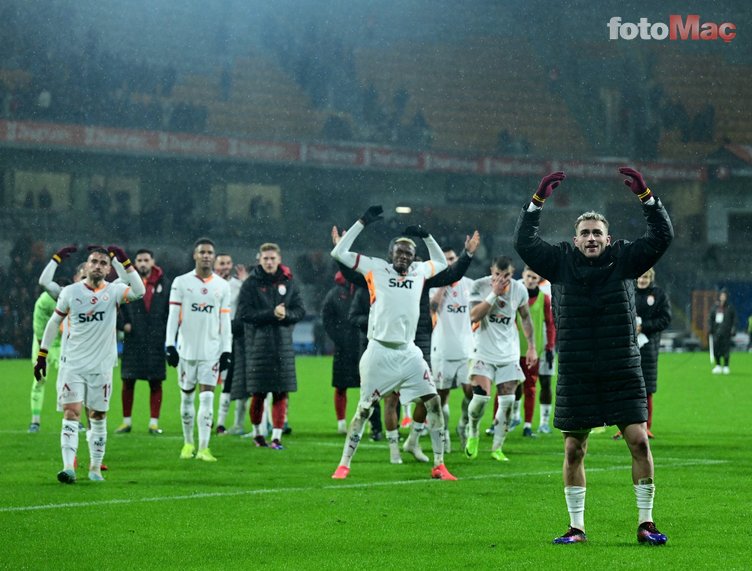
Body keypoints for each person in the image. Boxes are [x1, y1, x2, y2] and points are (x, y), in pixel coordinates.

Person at [514, 167, 673, 545]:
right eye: (584, 233)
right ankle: (576, 527)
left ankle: (646, 522)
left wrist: (647, 199)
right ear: (575, 238)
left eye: (596, 233)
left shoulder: (625, 259)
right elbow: (523, 242)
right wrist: (536, 202)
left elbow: (663, 236)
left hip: (622, 368)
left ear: (608, 238)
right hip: (578, 370)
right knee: (574, 447)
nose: (590, 238)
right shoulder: (559, 262)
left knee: (639, 441)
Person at [329, 205, 455, 480]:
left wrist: (426, 234)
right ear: (390, 254)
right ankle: (344, 463)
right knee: (364, 409)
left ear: (413, 258)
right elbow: (338, 252)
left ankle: (439, 465)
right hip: (379, 351)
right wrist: (362, 222)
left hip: (409, 352)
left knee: (433, 402)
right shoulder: (375, 268)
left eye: (408, 253)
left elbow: (443, 263)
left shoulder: (419, 271)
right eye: (399, 251)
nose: (403, 256)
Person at [33, 246, 145, 483]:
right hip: (72, 364)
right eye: (94, 261)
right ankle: (68, 468)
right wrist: (42, 355)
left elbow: (140, 290)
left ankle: (94, 468)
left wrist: (123, 261)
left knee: (98, 415)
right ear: (85, 266)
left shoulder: (114, 292)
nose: (98, 265)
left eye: (103, 263)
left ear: (108, 269)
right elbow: (54, 323)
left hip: (102, 366)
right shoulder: (71, 292)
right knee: (71, 412)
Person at [465, 256, 538, 462]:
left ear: (512, 274)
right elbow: (474, 316)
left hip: (508, 354)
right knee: (480, 399)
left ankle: (497, 448)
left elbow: (525, 318)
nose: (501, 279)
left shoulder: (519, 290)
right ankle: (473, 431)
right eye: (497, 274)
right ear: (491, 271)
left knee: (506, 402)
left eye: (506, 275)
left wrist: (531, 346)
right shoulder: (480, 286)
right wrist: (493, 294)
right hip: (483, 352)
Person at [165, 238, 232, 462]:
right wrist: (170, 345)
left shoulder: (222, 286)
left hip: (211, 352)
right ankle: (188, 443)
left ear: (213, 256)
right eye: (202, 252)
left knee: (206, 399)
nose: (206, 255)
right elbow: (173, 316)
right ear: (195, 255)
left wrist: (226, 350)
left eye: (209, 252)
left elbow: (225, 321)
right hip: (186, 350)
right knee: (186, 398)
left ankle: (204, 447)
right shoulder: (181, 282)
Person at [235, 243, 305, 450]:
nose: (269, 262)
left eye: (272, 258)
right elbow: (244, 314)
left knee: (281, 392)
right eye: (265, 258)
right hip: (258, 345)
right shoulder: (250, 284)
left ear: (279, 259)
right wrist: (270, 314)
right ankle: (257, 434)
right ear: (260, 260)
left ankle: (276, 437)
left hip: (282, 345)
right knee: (258, 393)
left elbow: (300, 310)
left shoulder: (289, 283)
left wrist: (287, 315)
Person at [115, 249, 171, 435]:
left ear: (153, 261)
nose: (142, 263)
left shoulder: (164, 283)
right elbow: (116, 306)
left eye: (146, 259)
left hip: (155, 340)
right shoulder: (127, 282)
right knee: (128, 381)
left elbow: (169, 310)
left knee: (156, 382)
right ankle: (126, 422)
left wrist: (164, 330)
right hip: (134, 339)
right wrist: (123, 324)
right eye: (139, 260)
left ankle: (154, 423)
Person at [428, 243, 476, 452]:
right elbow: (432, 309)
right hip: (443, 349)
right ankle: (444, 432)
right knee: (442, 395)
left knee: (472, 393)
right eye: (446, 260)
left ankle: (464, 425)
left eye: (453, 259)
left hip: (466, 349)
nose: (451, 263)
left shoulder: (471, 285)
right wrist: (444, 284)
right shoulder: (433, 286)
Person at [614, 268, 671, 440]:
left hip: (648, 349)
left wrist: (644, 326)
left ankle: (646, 427)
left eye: (646, 277)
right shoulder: (626, 291)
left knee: (646, 389)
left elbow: (665, 319)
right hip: (626, 347)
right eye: (640, 276)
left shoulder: (659, 295)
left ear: (651, 278)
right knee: (624, 388)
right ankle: (623, 427)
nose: (643, 279)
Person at [29, 245, 79, 433]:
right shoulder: (47, 300)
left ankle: (74, 418)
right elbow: (41, 328)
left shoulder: (79, 295)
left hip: (67, 343)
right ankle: (35, 421)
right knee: (40, 379)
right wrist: (56, 258)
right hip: (45, 340)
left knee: (71, 381)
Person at [510, 266, 556, 438]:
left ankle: (544, 422)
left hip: (542, 345)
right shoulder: (517, 289)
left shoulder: (550, 289)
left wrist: (550, 346)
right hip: (521, 345)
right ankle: (515, 416)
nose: (531, 279)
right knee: (517, 382)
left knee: (544, 382)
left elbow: (551, 323)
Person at [322, 271, 363, 434]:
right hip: (343, 347)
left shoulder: (364, 288)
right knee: (340, 386)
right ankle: (341, 423)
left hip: (363, 345)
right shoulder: (334, 293)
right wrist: (338, 337)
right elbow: (326, 318)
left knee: (366, 387)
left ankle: (363, 420)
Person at [213, 253, 248, 435]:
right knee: (208, 379)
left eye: (228, 263)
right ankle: (208, 416)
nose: (225, 267)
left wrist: (245, 282)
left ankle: (221, 423)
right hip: (210, 338)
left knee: (228, 381)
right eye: (221, 264)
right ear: (214, 265)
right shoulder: (207, 284)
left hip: (231, 338)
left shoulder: (238, 285)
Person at [709, 288, 736, 375]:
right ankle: (718, 365)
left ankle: (726, 366)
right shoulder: (715, 308)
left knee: (726, 350)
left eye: (724, 296)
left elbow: (734, 320)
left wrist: (733, 329)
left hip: (726, 333)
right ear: (719, 296)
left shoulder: (730, 308)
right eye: (721, 295)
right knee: (716, 349)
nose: (723, 297)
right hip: (716, 332)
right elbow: (710, 319)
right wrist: (710, 328)